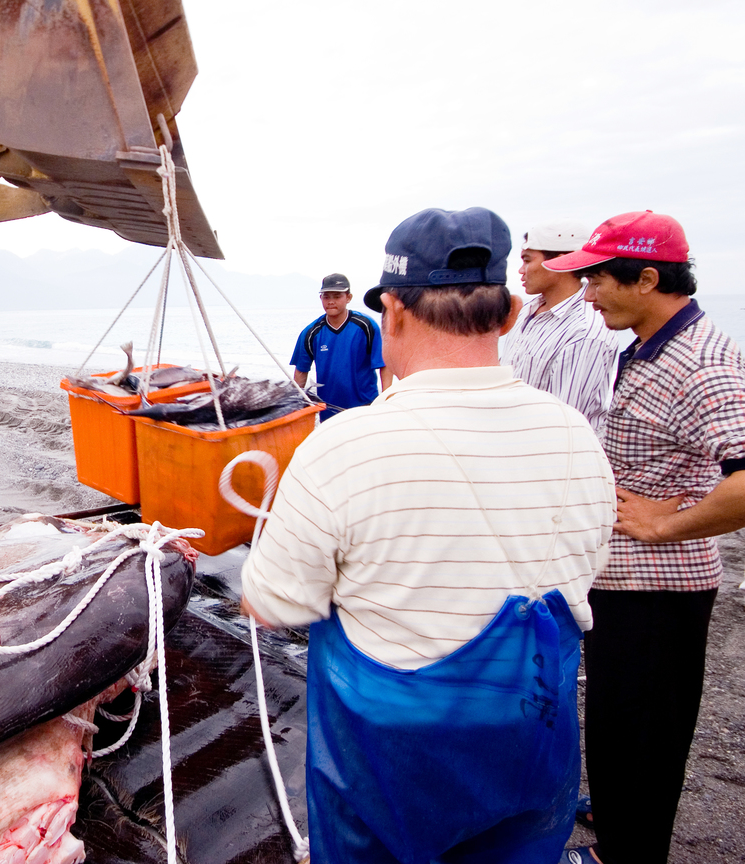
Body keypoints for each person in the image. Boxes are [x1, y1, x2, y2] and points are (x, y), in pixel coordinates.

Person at [241, 207, 615, 864]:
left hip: (388, 774)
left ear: (394, 313)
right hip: (530, 746)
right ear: (508, 315)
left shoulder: (343, 448)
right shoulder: (577, 438)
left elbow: (272, 609)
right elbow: (582, 576)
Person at [540, 211, 745, 864]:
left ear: (648, 278)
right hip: (622, 583)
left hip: (660, 592)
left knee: (643, 741)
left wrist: (668, 523)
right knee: (616, 731)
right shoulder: (649, 342)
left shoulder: (702, 360)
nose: (589, 294)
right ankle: (616, 829)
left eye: (598, 280)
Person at [500, 219, 619, 433]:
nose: (521, 270)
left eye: (527, 260)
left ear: (562, 263)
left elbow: (566, 424)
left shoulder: (584, 332)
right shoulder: (528, 311)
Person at [290, 273, 389, 419]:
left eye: (337, 296)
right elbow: (300, 372)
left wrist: (387, 400)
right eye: (326, 296)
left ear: (348, 298)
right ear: (321, 298)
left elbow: (384, 365)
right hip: (329, 412)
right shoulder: (311, 332)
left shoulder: (366, 326)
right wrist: (294, 408)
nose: (331, 301)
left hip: (365, 408)